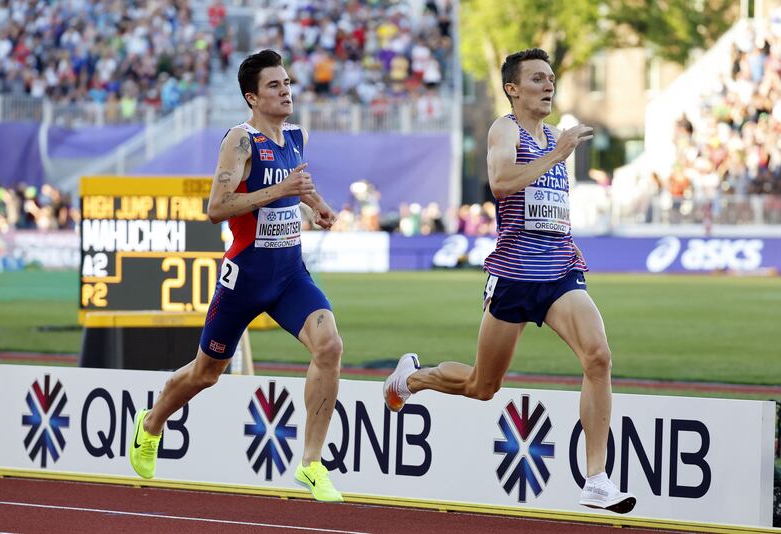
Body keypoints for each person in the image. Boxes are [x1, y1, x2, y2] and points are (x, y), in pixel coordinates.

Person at [383, 48, 637, 515]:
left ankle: (596, 479)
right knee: (483, 387)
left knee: (598, 356)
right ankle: (412, 379)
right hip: (515, 274)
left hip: (559, 268)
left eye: (552, 78)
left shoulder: (556, 136)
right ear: (513, 89)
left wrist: (563, 198)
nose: (549, 85)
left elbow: (547, 201)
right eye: (538, 78)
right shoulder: (507, 129)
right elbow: (501, 183)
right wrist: (558, 153)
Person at [129, 49, 344, 502]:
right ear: (252, 97)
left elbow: (297, 184)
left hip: (289, 275)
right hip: (244, 278)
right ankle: (151, 423)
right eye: (274, 85)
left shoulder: (296, 136)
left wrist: (316, 203)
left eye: (287, 83)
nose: (286, 91)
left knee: (330, 346)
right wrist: (280, 190)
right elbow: (216, 209)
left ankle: (310, 462)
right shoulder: (240, 141)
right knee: (208, 373)